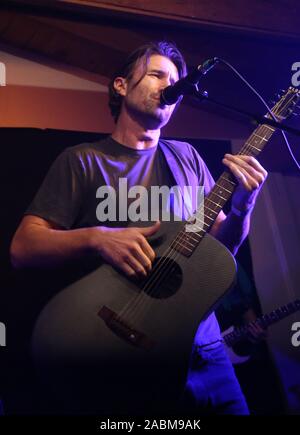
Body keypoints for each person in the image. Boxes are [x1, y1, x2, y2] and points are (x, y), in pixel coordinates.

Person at [10, 41, 268, 415]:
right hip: (126, 349)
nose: (170, 84)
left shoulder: (188, 159)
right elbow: (22, 249)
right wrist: (97, 238)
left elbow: (219, 252)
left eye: (176, 79)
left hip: (205, 347)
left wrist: (245, 207)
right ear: (120, 85)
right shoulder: (83, 160)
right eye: (157, 74)